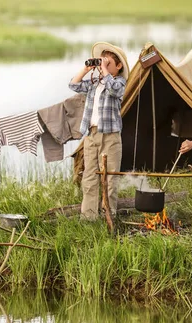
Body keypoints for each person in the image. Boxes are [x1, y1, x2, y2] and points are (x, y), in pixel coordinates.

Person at [69, 42, 129, 220]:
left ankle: (108, 215)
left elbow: (114, 90)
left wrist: (104, 71)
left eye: (108, 63)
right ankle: (89, 217)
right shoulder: (94, 84)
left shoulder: (119, 82)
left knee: (110, 178)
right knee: (89, 177)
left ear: (118, 67)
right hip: (91, 134)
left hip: (110, 136)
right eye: (102, 62)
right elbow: (73, 85)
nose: (103, 66)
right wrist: (87, 69)